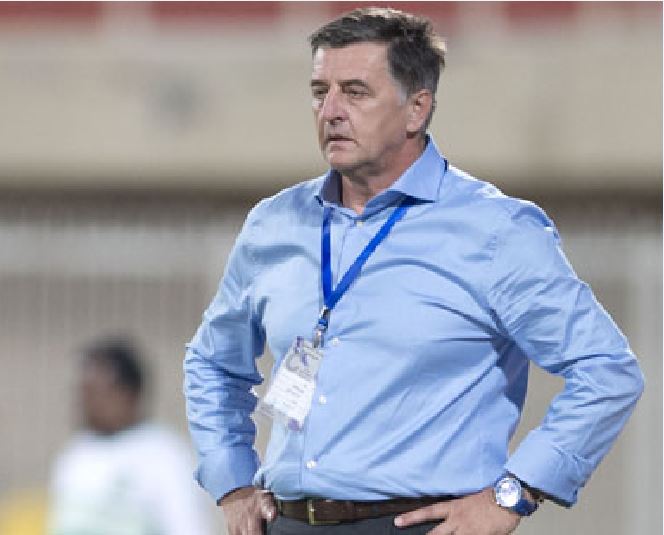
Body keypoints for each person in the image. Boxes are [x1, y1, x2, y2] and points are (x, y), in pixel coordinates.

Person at [183, 7, 644, 535]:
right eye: (319, 92)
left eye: (355, 92)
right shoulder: (274, 224)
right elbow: (212, 363)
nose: (330, 111)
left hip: (420, 524)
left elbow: (607, 370)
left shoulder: (495, 230)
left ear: (416, 109)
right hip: (287, 521)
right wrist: (232, 482)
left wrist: (513, 493)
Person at [48, 337, 211, 535]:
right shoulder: (74, 456)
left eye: (94, 392)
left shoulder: (165, 455)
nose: (85, 403)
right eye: (82, 393)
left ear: (128, 393)